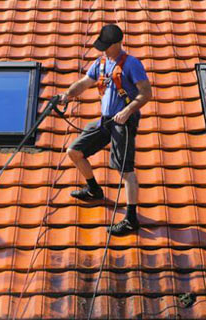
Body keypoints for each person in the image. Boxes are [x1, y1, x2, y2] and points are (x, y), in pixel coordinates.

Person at [59, 24, 152, 236]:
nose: (103, 50)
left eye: (106, 46)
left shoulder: (132, 64)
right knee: (74, 151)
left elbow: (146, 93)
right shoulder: (101, 63)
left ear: (117, 44)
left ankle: (131, 218)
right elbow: (84, 83)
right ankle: (93, 189)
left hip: (123, 123)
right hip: (106, 121)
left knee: (124, 170)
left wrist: (128, 111)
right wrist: (67, 94)